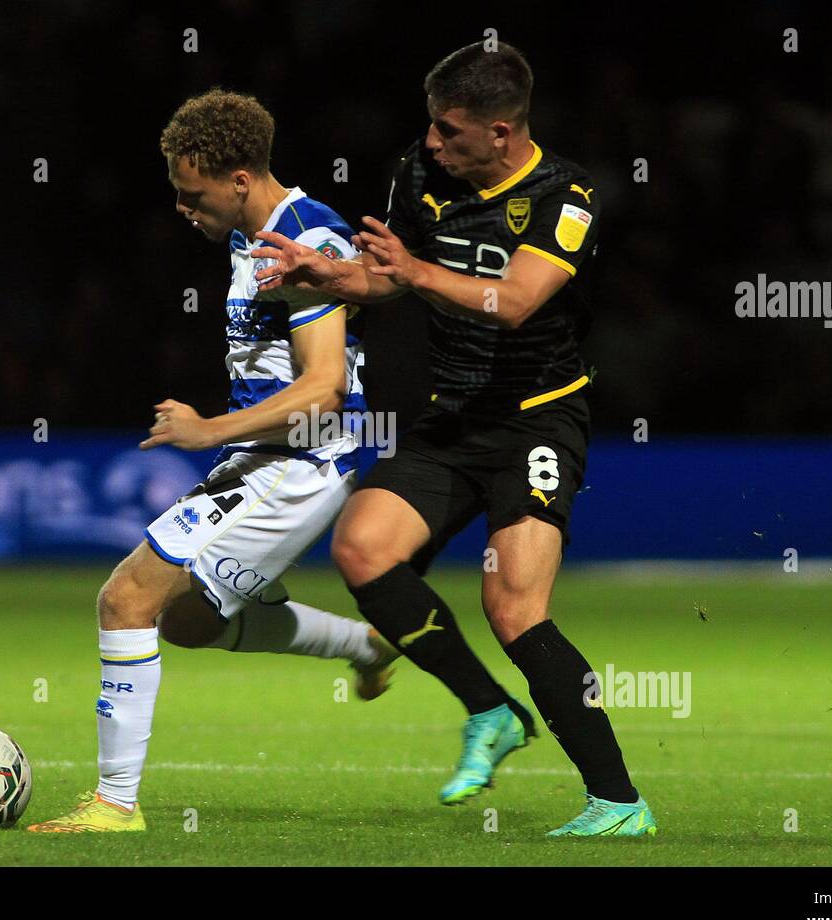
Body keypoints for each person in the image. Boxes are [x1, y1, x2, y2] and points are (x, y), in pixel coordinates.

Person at [252, 43, 657, 837]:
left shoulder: (564, 194)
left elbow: (514, 301)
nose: (432, 143)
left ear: (502, 133)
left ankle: (618, 801)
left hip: (539, 417)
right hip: (453, 415)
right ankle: (489, 710)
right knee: (362, 547)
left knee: (512, 607)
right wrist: (331, 276)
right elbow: (387, 277)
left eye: (449, 130)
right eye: (430, 127)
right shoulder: (418, 171)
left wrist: (415, 273)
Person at [27, 90, 396, 834]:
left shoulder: (305, 239)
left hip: (301, 465)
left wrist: (208, 430)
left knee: (126, 599)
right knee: (187, 623)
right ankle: (365, 645)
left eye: (191, 194)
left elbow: (324, 390)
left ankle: (114, 804)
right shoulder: (246, 235)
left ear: (237, 180)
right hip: (268, 460)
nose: (181, 208)